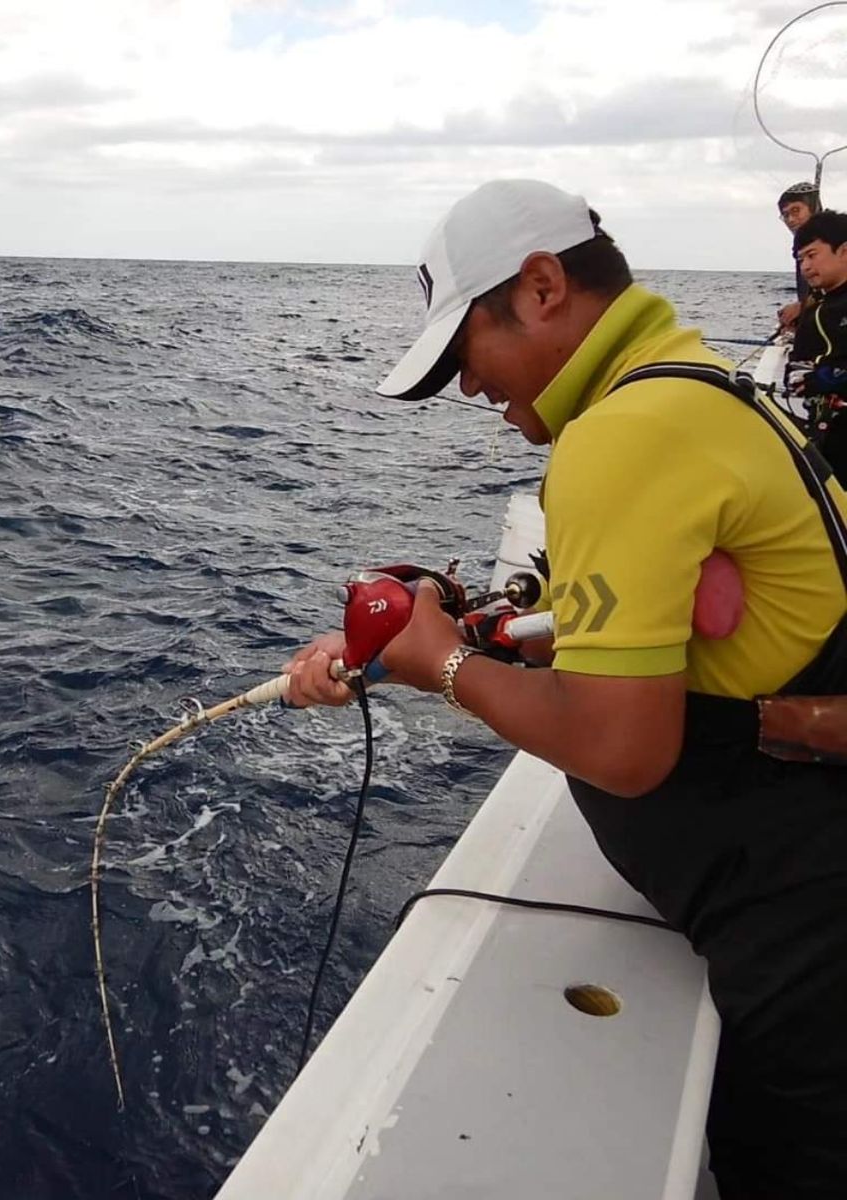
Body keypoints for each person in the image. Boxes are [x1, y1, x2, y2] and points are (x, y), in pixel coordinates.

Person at [283, 179, 847, 1199]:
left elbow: (625, 747)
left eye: (467, 354)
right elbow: (645, 611)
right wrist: (453, 610)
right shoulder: (696, 384)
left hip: (812, 933)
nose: (467, 389)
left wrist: (439, 663)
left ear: (541, 287)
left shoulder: (621, 436)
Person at [790, 209, 847, 486]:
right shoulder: (816, 310)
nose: (805, 266)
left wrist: (825, 377)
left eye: (812, 255)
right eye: (801, 260)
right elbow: (795, 366)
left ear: (844, 251)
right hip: (826, 432)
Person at [777, 181, 822, 330]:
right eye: (785, 215)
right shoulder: (801, 246)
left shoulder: (836, 238)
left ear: (814, 208)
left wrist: (802, 307)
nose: (790, 219)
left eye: (796, 210)